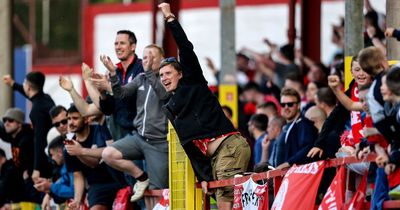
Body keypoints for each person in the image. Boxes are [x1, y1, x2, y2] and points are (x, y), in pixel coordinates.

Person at [158, 3, 251, 209]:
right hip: (216, 159)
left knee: (225, 206)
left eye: (168, 73)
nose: (164, 78)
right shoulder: (171, 107)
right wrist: (204, 177)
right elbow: (189, 146)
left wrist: (169, 18)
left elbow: (186, 48)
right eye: (161, 75)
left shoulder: (193, 82)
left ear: (180, 73)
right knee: (227, 205)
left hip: (229, 147)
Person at [102, 44, 170, 206]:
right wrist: (113, 74)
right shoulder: (141, 78)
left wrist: (148, 71)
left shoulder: (166, 80)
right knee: (108, 154)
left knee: (156, 191)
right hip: (139, 137)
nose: (147, 59)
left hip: (158, 143)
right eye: (145, 56)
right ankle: (141, 177)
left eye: (152, 56)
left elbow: (162, 94)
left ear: (162, 59)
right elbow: (120, 94)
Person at [63, 104, 123, 210]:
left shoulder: (100, 130)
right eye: (68, 119)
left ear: (86, 119)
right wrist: (77, 200)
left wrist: (80, 151)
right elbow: (78, 176)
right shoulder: (68, 146)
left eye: (75, 118)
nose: (70, 122)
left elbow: (96, 160)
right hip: (97, 185)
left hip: (118, 179)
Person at [3, 71, 55, 181]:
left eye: (24, 83)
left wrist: (37, 169)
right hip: (52, 151)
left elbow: (39, 139)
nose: (23, 85)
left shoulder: (37, 111)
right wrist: (13, 84)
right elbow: (31, 95)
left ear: (29, 87)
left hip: (46, 159)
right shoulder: (45, 98)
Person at [99, 30, 144, 140]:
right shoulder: (114, 71)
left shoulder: (141, 67)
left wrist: (109, 87)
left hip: (139, 130)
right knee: (107, 156)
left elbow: (137, 98)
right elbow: (108, 110)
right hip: (119, 132)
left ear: (133, 47)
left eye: (122, 43)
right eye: (116, 43)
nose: (118, 47)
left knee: (108, 155)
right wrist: (102, 93)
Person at [272, 88, 318, 169]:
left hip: (296, 176)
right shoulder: (285, 127)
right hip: (283, 178)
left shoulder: (304, 124)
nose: (286, 107)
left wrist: (288, 163)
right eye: (283, 104)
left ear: (298, 105)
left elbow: (308, 147)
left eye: (290, 104)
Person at [34, 136, 74, 210]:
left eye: (52, 155)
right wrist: (48, 186)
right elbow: (60, 184)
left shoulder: (72, 165)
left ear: (59, 152)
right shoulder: (64, 168)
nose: (52, 158)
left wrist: (50, 186)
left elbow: (73, 191)